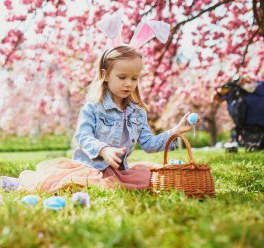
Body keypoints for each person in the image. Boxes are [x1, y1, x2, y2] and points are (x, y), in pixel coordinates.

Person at [13, 15, 200, 193]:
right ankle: (13, 184)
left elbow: (149, 144)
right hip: (89, 168)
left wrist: (175, 131)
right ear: (105, 75)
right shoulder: (93, 108)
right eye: (122, 77)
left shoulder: (137, 113)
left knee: (151, 180)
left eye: (134, 78)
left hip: (120, 172)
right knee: (67, 185)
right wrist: (103, 150)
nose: (129, 83)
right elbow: (83, 137)